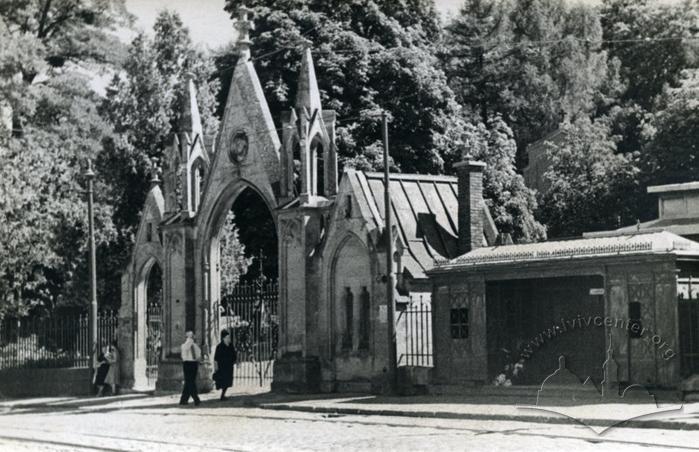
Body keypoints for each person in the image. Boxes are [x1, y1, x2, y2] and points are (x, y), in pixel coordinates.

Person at [179, 330, 202, 406]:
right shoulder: (186, 345)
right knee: (190, 382)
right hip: (189, 363)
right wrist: (190, 341)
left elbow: (198, 354)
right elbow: (184, 354)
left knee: (189, 382)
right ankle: (196, 399)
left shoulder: (193, 345)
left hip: (191, 363)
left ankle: (183, 400)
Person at [213, 330, 237, 400]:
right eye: (227, 337)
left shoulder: (231, 345)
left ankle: (223, 395)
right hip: (222, 367)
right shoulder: (219, 347)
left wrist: (235, 360)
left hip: (229, 366)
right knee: (223, 381)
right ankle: (222, 395)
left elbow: (234, 354)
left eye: (229, 337)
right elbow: (216, 358)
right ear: (223, 338)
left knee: (228, 381)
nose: (228, 339)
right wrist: (216, 367)